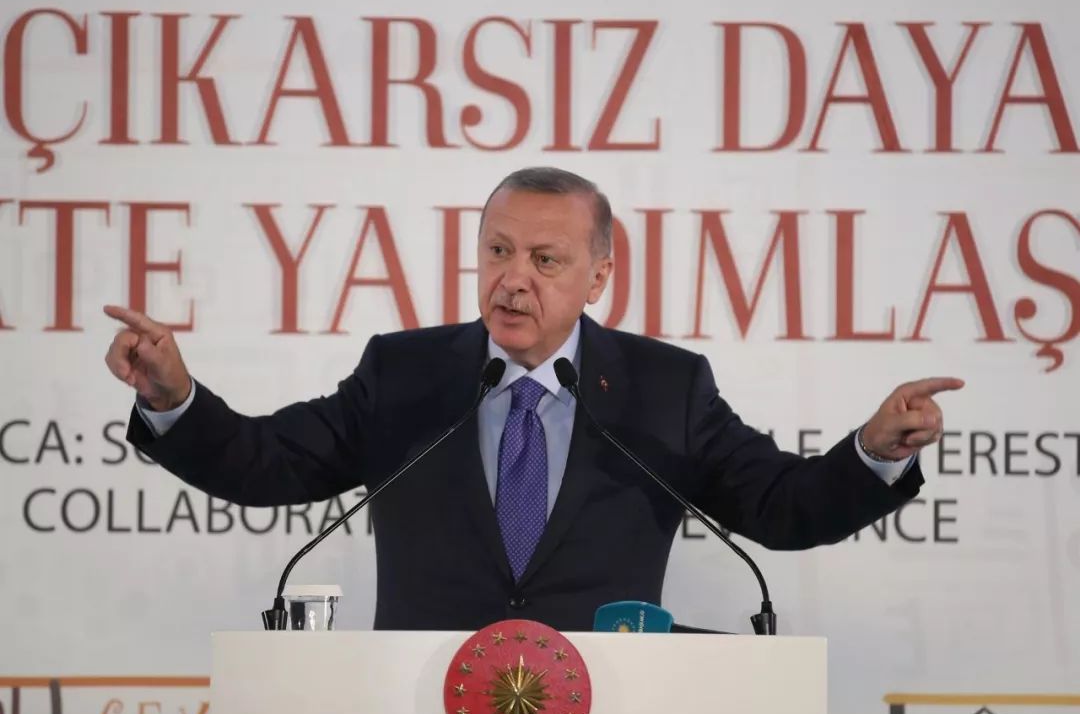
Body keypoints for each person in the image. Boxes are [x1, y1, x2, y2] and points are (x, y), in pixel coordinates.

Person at [104, 167, 962, 631]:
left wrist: (872, 453)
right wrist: (176, 397)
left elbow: (779, 506)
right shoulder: (405, 374)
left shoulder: (665, 388)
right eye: (498, 251)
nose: (513, 280)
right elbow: (268, 464)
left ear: (599, 275)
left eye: (545, 261)